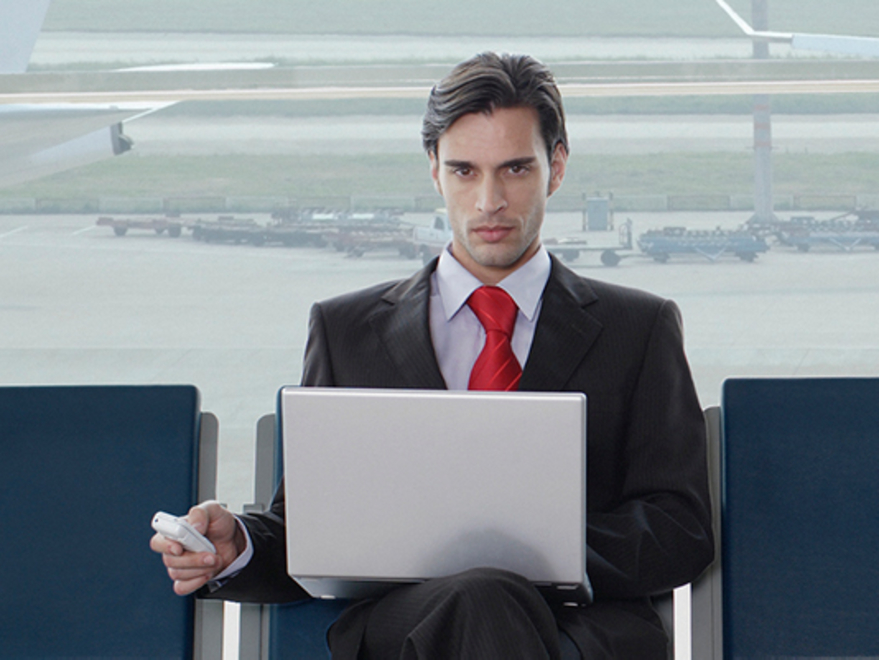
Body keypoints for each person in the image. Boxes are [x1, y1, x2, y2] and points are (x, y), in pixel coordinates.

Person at [151, 52, 714, 659]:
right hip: (414, 625)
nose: (490, 200)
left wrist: (541, 547)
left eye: (515, 169)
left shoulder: (638, 327)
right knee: (477, 600)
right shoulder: (347, 331)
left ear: (556, 167)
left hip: (581, 630)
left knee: (488, 597)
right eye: (465, 170)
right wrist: (238, 544)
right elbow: (310, 529)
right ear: (434, 172)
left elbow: (680, 530)